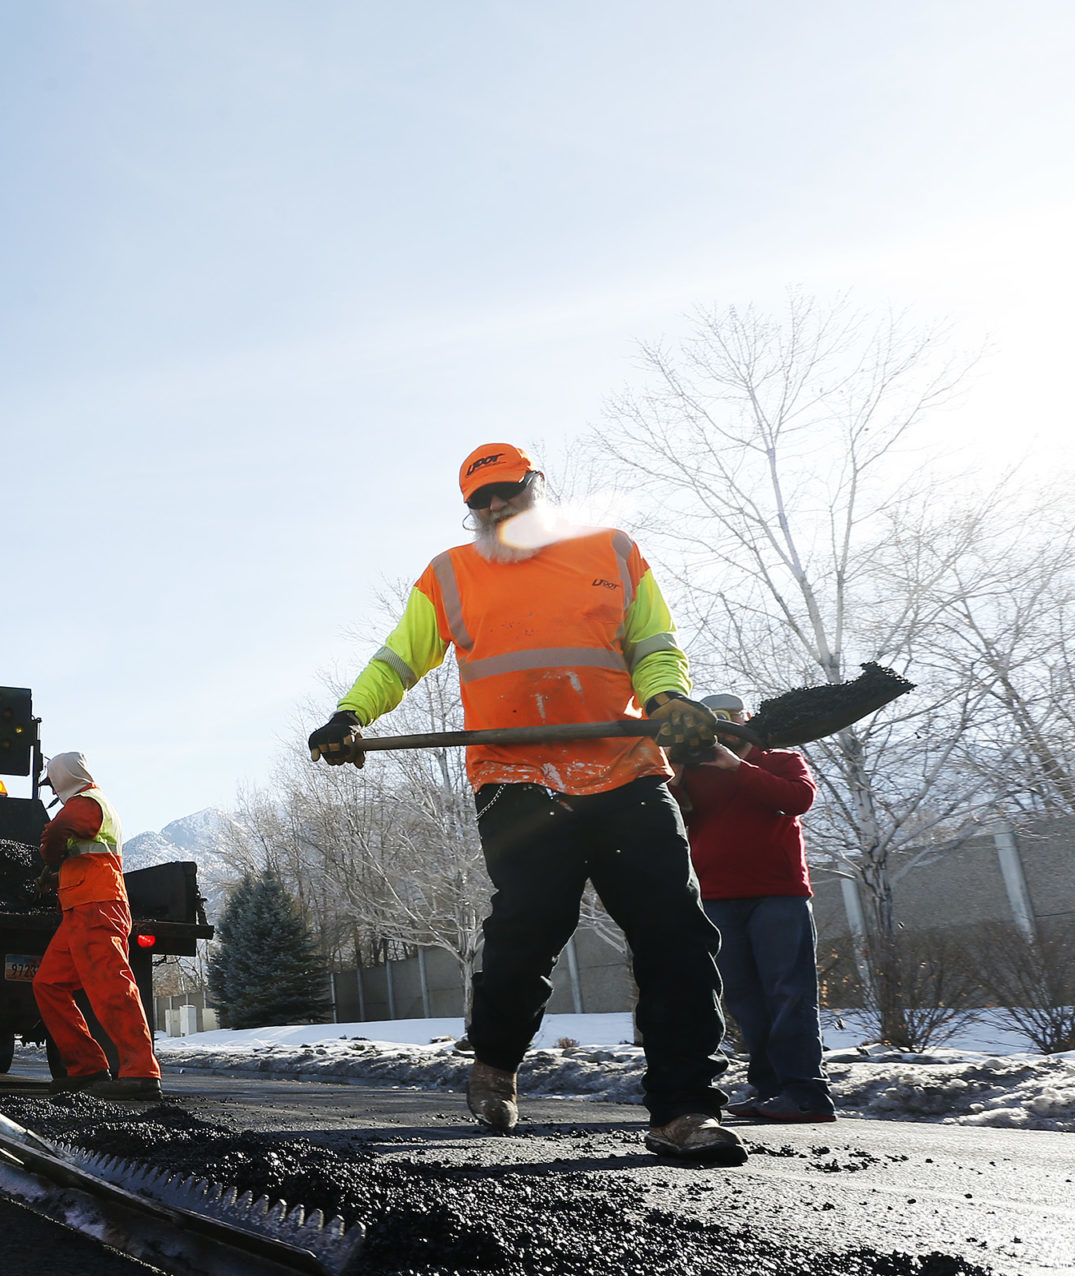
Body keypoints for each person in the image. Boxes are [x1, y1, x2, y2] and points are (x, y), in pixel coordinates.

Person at [308, 443, 743, 1164]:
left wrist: (667, 699)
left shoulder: (612, 550)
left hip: (626, 767)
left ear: (536, 484)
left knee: (676, 937)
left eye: (506, 490)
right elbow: (399, 658)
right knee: (525, 934)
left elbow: (654, 643)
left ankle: (685, 1109)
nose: (494, 507)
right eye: (479, 500)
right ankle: (496, 1062)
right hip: (515, 778)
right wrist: (352, 714)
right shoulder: (450, 574)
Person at [675, 692, 832, 1122]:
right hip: (718, 897)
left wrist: (736, 766)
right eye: (714, 722)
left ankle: (805, 1093)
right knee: (745, 998)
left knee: (789, 992)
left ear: (744, 721)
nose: (722, 730)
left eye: (730, 721)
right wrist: (674, 769)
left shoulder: (780, 760)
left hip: (778, 893)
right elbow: (672, 816)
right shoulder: (690, 769)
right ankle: (768, 1090)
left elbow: (797, 800)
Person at [33, 752, 162, 1100]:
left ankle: (141, 1072)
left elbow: (56, 831)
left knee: (112, 988)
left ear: (61, 778)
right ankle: (87, 1068)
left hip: (98, 908)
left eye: (53, 782)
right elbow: (88, 856)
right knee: (49, 984)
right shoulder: (86, 808)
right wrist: (58, 877)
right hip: (79, 909)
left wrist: (49, 854)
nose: (53, 789)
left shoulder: (86, 802)